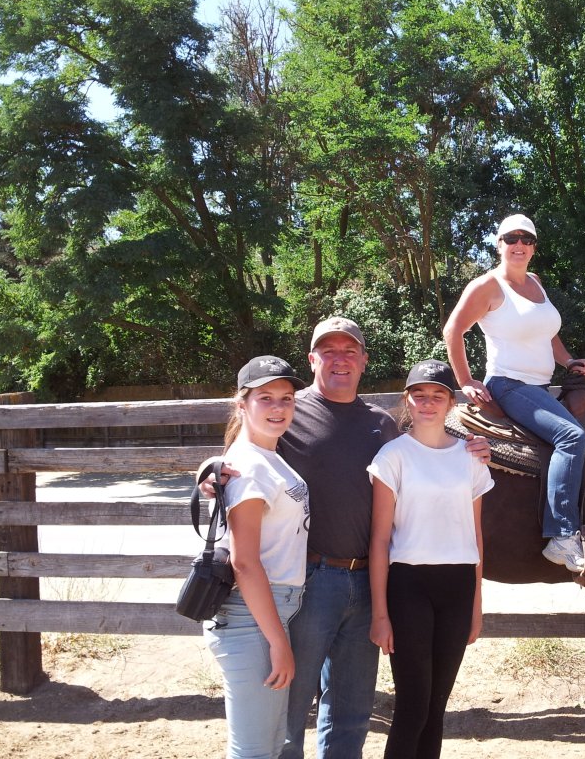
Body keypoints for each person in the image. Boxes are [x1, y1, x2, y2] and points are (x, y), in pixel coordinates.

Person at [205, 317, 490, 759]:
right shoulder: (288, 408)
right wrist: (209, 474)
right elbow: (243, 448)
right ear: (312, 358)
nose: (340, 359)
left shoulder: (381, 424)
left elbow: (424, 446)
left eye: (350, 351)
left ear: (364, 361)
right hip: (311, 580)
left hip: (368, 580)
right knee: (291, 704)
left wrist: (470, 445)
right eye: (329, 350)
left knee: (351, 710)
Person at [444, 213, 585, 573]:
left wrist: (570, 360)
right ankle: (561, 535)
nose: (519, 245)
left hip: (540, 386)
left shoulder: (537, 284)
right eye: (511, 238)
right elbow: (454, 330)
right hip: (509, 384)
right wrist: (465, 380)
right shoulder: (487, 287)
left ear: (534, 248)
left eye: (526, 239)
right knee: (572, 438)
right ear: (499, 245)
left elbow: (549, 335)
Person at [367, 360, 492, 759]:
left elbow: (475, 537)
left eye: (437, 395)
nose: (427, 403)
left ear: (450, 403)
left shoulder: (470, 456)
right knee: (412, 706)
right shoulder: (393, 456)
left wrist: (476, 606)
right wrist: (380, 613)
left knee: (437, 707)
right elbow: (380, 539)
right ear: (407, 400)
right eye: (419, 395)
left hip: (458, 587)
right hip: (409, 586)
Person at [205, 355, 310, 759]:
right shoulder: (249, 465)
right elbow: (244, 562)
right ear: (242, 404)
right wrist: (278, 641)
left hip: (268, 612)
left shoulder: (267, 457)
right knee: (253, 749)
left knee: (268, 743)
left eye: (286, 398)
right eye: (265, 398)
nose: (279, 408)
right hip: (253, 618)